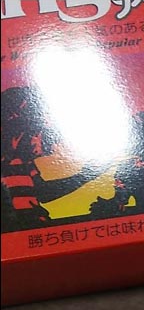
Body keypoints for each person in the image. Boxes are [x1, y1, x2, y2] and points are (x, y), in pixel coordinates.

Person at [1, 86, 102, 232]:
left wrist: (86, 174)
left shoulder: (23, 165)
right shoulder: (11, 165)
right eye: (40, 132)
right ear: (21, 130)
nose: (48, 143)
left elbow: (43, 192)